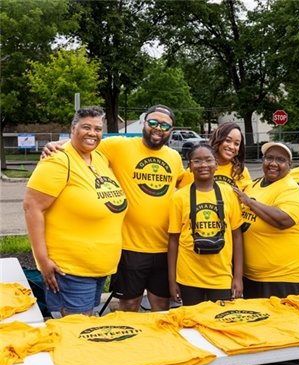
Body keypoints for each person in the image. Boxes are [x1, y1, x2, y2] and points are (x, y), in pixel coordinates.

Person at [42, 104, 185, 312]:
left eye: (165, 125)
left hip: (164, 248)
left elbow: (187, 182)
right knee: (129, 304)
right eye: (153, 122)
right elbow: (86, 141)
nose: (158, 128)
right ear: (144, 123)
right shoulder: (119, 145)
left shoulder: (174, 157)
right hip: (130, 247)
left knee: (162, 306)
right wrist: (56, 144)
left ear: (171, 130)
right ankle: (129, 344)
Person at [23, 107, 128, 316]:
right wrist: (42, 260)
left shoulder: (98, 157)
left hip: (98, 269)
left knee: (86, 328)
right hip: (71, 270)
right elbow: (31, 207)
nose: (93, 133)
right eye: (86, 127)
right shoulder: (58, 160)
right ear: (73, 128)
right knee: (75, 335)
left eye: (98, 129)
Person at [234, 141, 299, 365]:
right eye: (269, 158)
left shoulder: (290, 189)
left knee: (284, 330)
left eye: (280, 160)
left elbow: (283, 220)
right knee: (264, 326)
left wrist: (249, 202)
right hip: (257, 275)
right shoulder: (254, 185)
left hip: (285, 273)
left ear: (289, 165)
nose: (273, 163)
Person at [168, 144, 244, 305]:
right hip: (188, 275)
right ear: (189, 166)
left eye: (208, 160)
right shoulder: (179, 197)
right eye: (197, 161)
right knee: (192, 323)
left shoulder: (229, 193)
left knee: (219, 324)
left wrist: (237, 276)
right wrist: (172, 280)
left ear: (216, 165)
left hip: (221, 275)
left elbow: (237, 236)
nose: (203, 165)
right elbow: (173, 240)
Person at [178, 122, 251, 190]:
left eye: (236, 144)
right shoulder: (197, 168)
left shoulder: (241, 171)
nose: (232, 147)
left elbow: (248, 200)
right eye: (228, 140)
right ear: (217, 139)